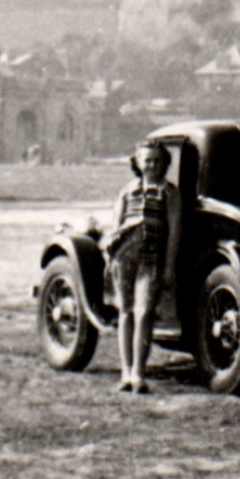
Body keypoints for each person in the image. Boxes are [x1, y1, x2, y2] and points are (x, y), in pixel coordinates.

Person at [101, 142, 182, 395]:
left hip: (152, 258)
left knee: (144, 312)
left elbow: (175, 230)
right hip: (124, 257)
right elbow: (116, 225)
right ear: (137, 163)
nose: (153, 165)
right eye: (147, 160)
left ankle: (139, 371)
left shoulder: (169, 192)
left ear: (165, 163)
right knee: (124, 311)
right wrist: (110, 257)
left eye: (158, 161)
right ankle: (126, 371)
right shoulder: (128, 191)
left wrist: (169, 266)